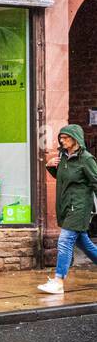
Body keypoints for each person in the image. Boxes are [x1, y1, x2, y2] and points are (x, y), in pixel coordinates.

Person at [39, 124, 97, 295]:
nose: (62, 141)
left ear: (75, 139)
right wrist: (50, 166)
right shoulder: (63, 157)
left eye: (65, 138)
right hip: (65, 206)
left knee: (64, 241)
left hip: (79, 207)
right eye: (61, 138)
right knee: (84, 244)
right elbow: (64, 178)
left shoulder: (86, 159)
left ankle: (58, 281)